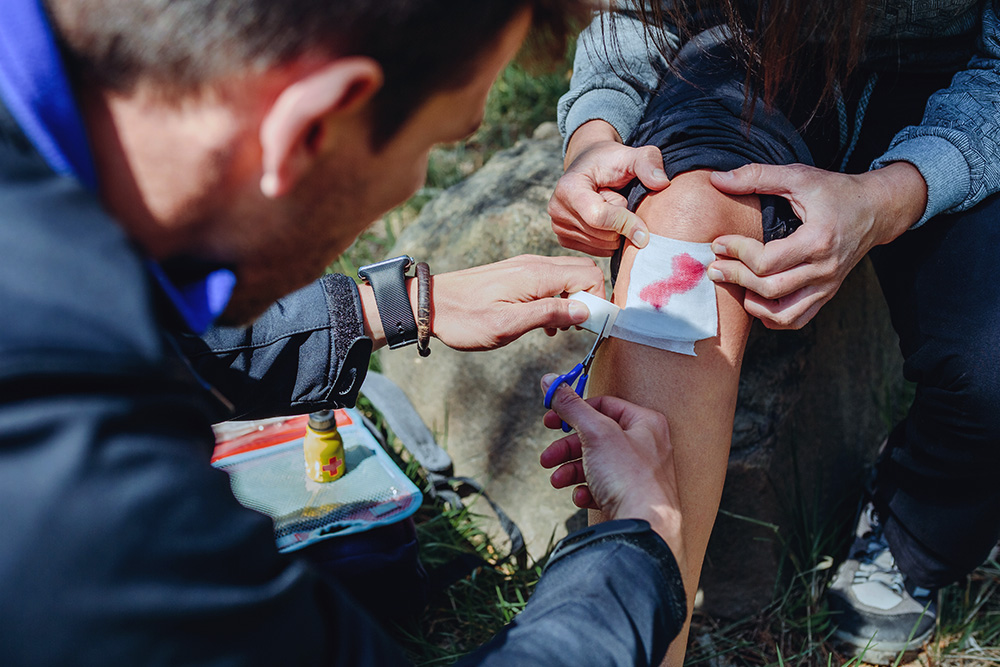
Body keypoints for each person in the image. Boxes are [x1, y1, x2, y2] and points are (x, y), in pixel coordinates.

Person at [0, 0, 693, 664]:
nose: (418, 177)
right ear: (310, 126)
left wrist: (385, 307)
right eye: (436, 142)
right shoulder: (82, 479)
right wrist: (639, 546)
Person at [550, 0, 1000, 664]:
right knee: (677, 233)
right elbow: (634, 19)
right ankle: (630, 645)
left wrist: (886, 200)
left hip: (958, 74)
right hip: (744, 58)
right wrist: (591, 142)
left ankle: (915, 531)